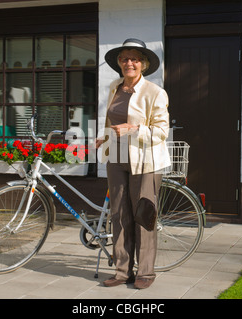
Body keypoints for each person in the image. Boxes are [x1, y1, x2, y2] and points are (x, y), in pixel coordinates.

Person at [96, 38, 171, 289]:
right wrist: (104, 139)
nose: (129, 63)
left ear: (144, 64)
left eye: (135, 59)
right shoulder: (114, 87)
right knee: (119, 215)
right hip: (116, 159)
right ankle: (122, 271)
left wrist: (134, 129)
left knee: (143, 216)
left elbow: (161, 132)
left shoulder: (155, 92)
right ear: (119, 63)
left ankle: (145, 272)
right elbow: (112, 122)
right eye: (125, 58)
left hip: (145, 161)